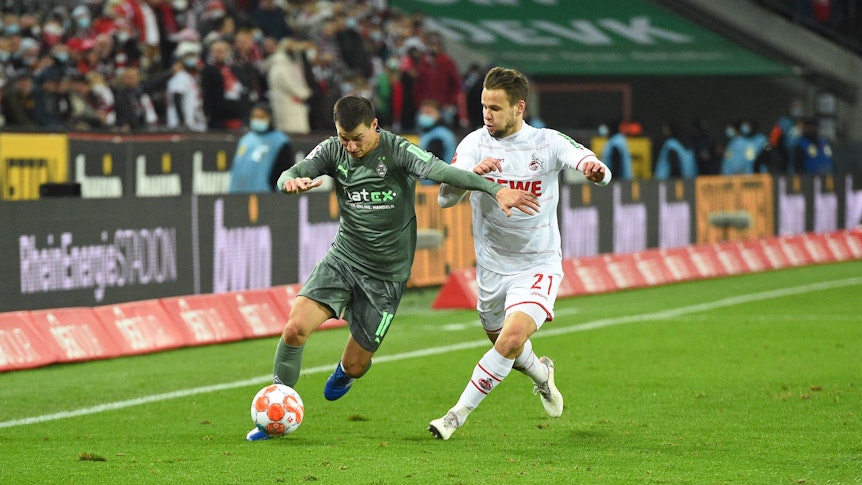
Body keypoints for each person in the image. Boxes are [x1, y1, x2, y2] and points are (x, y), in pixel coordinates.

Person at [245, 95, 539, 441]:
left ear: (374, 126)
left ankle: (346, 372)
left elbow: (443, 172)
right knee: (295, 329)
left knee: (356, 364)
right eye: (344, 138)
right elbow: (290, 173)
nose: (351, 147)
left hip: (386, 276)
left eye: (357, 138)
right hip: (343, 259)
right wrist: (288, 184)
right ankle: (275, 411)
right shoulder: (332, 150)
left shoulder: (399, 151)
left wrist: (494, 189)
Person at [428, 66, 612, 440]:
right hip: (492, 267)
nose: (487, 114)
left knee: (511, 340)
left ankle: (455, 416)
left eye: (495, 108)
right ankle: (542, 374)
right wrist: (471, 176)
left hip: (538, 263)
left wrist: (595, 171)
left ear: (519, 107)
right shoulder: (474, 144)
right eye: (484, 106)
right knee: (506, 346)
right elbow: (445, 199)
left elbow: (593, 165)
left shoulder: (546, 142)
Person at [229, 102, 293, 193]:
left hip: (265, 195)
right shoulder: (245, 140)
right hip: (239, 194)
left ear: (270, 118)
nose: (257, 120)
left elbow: (284, 170)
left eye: (261, 117)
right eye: (254, 116)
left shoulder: (280, 141)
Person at [416, 98, 457, 184]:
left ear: (439, 114)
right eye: (423, 112)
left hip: (436, 185)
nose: (425, 116)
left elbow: (434, 166)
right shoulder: (431, 133)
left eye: (429, 112)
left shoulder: (439, 136)